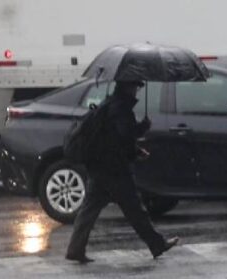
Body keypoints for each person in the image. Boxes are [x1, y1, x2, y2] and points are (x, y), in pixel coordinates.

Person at [65, 80, 178, 264]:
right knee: (134, 209)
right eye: (136, 87)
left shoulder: (109, 103)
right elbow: (124, 137)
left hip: (99, 166)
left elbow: (113, 138)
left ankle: (75, 249)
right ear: (128, 87)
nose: (137, 90)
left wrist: (135, 148)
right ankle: (157, 244)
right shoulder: (121, 108)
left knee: (89, 209)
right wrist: (142, 130)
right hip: (114, 169)